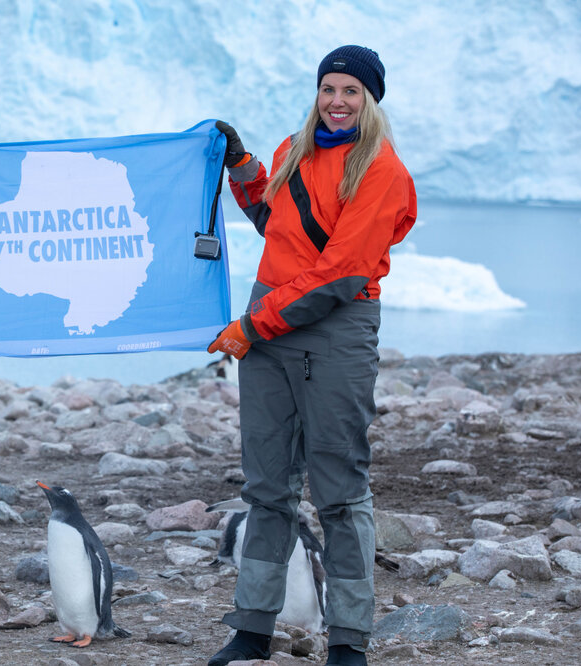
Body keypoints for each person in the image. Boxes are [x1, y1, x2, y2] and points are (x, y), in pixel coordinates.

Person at [205, 45, 416, 666]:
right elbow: (276, 222)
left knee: (339, 491)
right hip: (271, 325)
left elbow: (340, 274)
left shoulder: (381, 170)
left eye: (352, 91)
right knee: (267, 487)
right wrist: (243, 166)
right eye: (329, 88)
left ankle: (348, 640)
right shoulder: (292, 151)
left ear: (369, 100)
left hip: (333, 331)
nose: (337, 101)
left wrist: (252, 325)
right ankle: (252, 628)